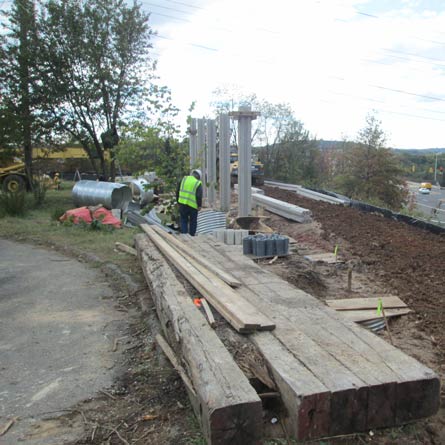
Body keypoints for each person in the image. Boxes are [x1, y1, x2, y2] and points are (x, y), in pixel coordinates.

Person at [176, 169, 202, 236]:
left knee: (183, 220)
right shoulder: (197, 183)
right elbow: (199, 196)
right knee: (193, 221)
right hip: (192, 206)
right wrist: (199, 205)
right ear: (199, 177)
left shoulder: (183, 179)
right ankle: (192, 236)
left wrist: (178, 202)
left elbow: (177, 190)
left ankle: (184, 235)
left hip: (182, 204)